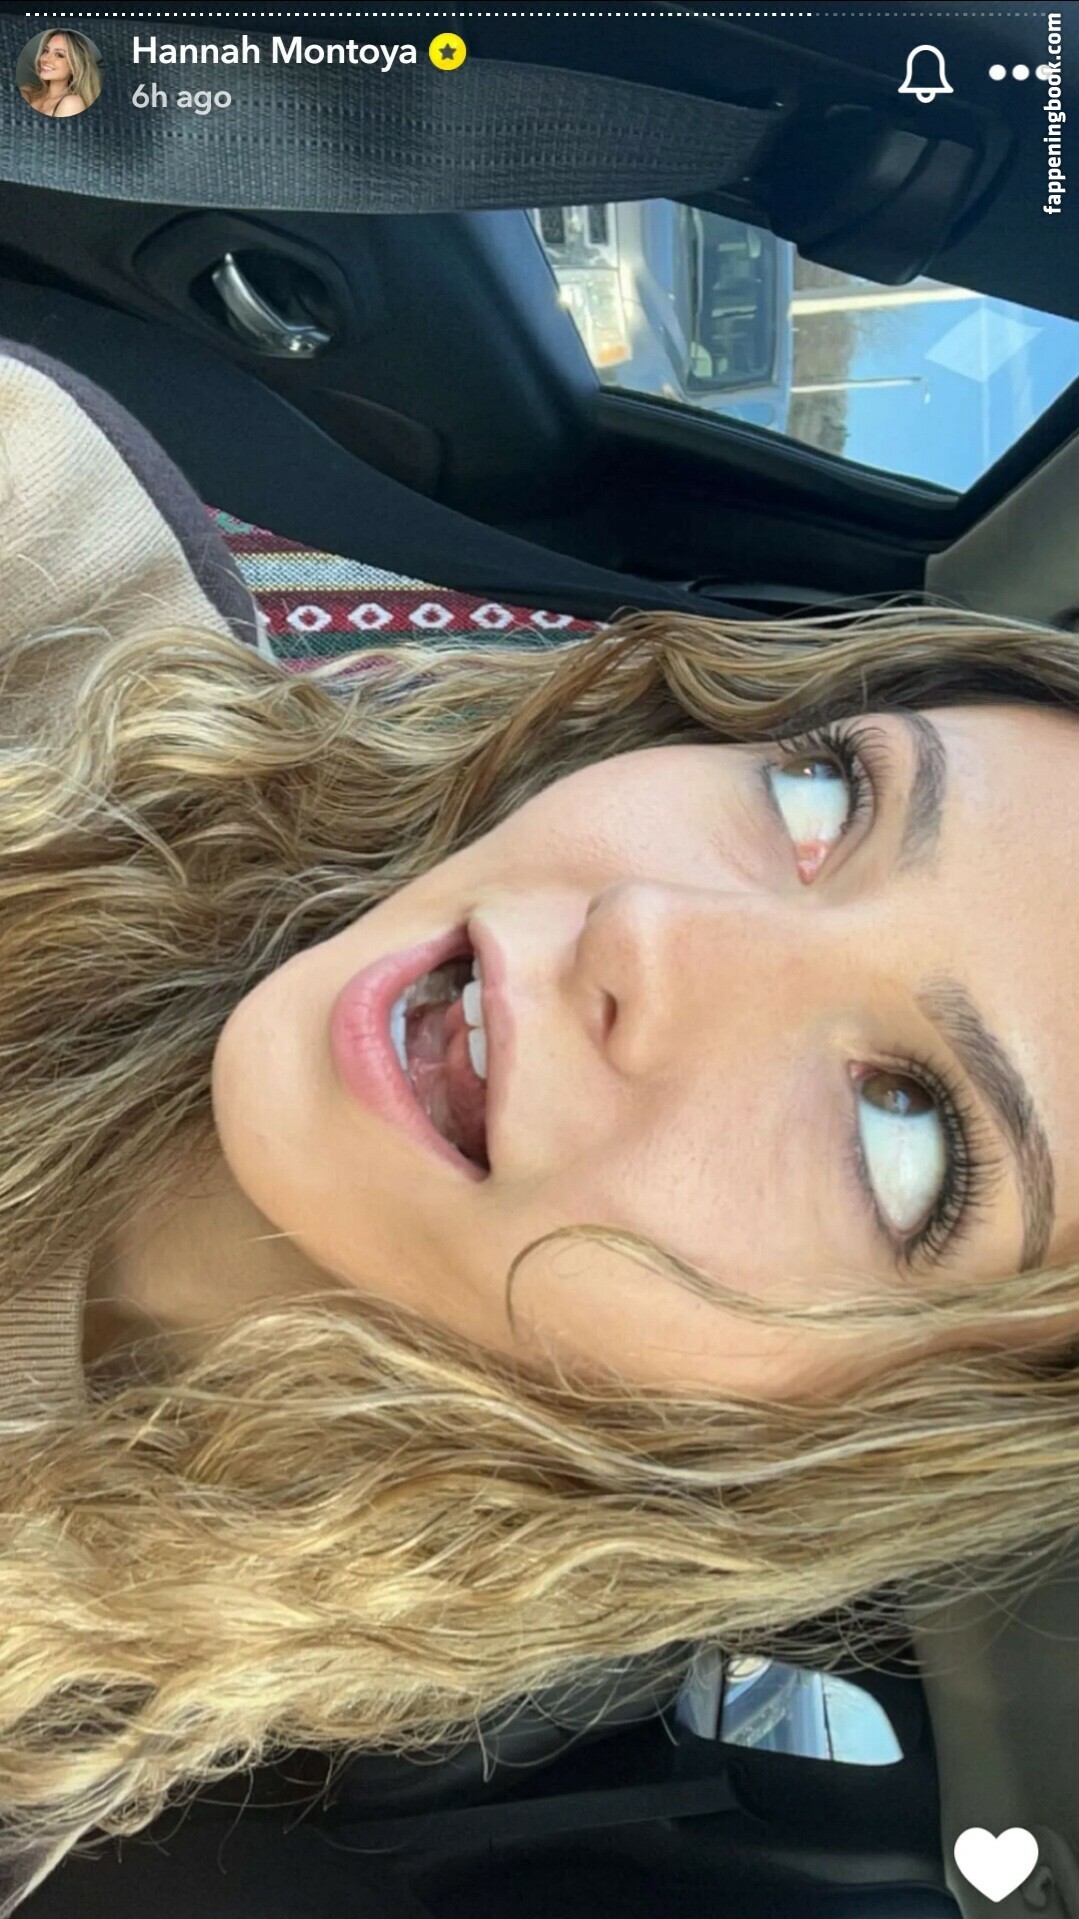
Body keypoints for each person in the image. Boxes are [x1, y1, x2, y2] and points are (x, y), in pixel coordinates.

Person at [3, 339, 1079, 1909]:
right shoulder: (40, 550)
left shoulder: (73, 1750)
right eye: (820, 800)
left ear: (866, 1433)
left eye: (902, 1125)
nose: (652, 926)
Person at [19, 28, 101, 118]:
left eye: (59, 55)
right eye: (46, 51)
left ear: (74, 67)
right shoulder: (28, 92)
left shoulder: (71, 103)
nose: (45, 59)